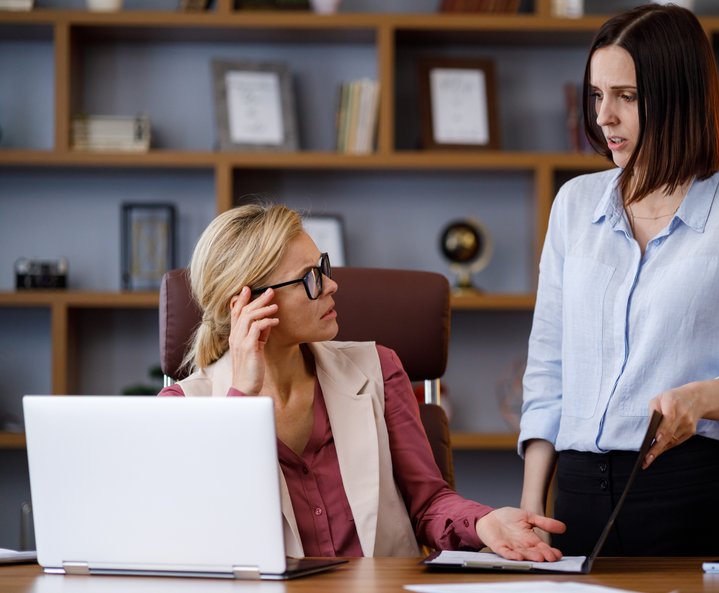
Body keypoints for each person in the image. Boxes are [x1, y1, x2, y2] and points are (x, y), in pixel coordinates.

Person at [518, 4, 719, 557]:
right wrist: (533, 505)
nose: (604, 117)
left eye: (626, 96)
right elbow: (549, 363)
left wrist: (698, 399)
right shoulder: (573, 205)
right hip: (574, 501)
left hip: (693, 495)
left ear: (678, 97)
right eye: (597, 95)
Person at [160, 203, 565, 560]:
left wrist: (484, 524)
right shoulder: (183, 408)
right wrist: (241, 399)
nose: (332, 285)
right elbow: (201, 537)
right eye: (310, 278)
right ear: (248, 305)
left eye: (324, 268)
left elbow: (427, 505)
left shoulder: (378, 369)